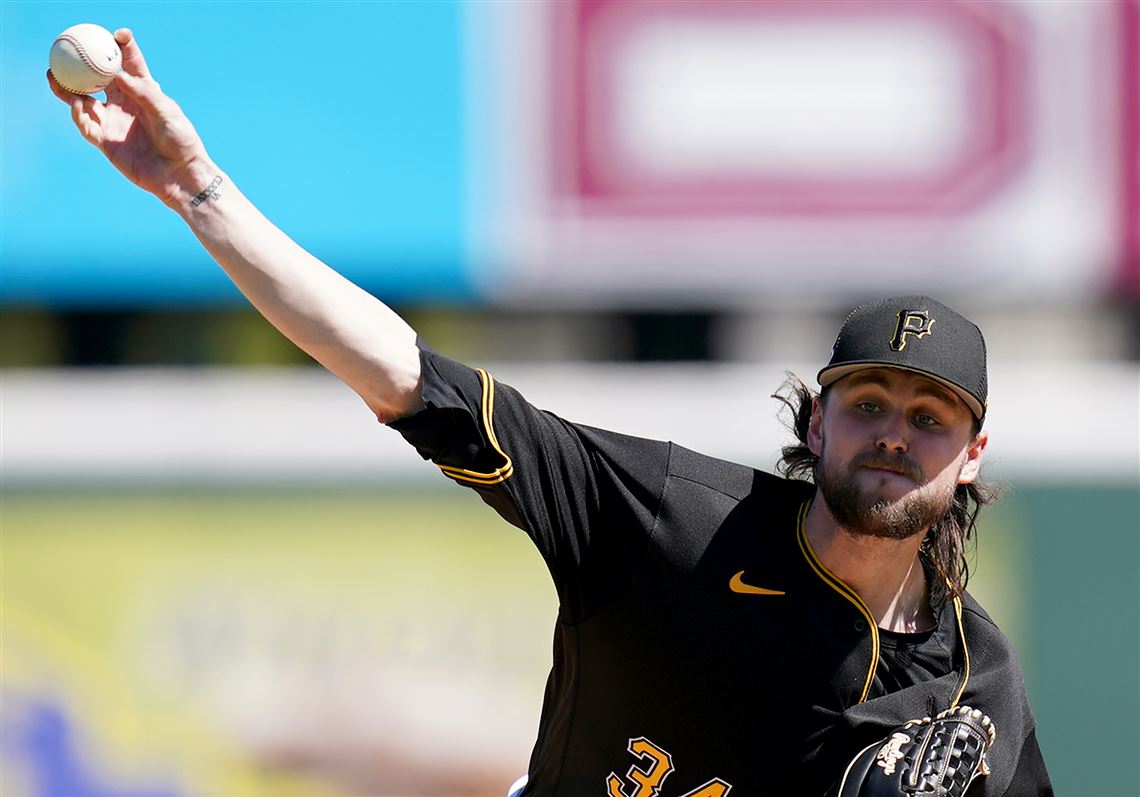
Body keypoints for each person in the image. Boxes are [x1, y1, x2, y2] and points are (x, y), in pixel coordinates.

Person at [49, 30, 1052, 797]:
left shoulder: (976, 671)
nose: (894, 430)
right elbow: (404, 372)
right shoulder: (675, 519)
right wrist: (197, 188)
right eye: (869, 400)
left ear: (971, 454)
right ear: (816, 424)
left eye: (931, 416)